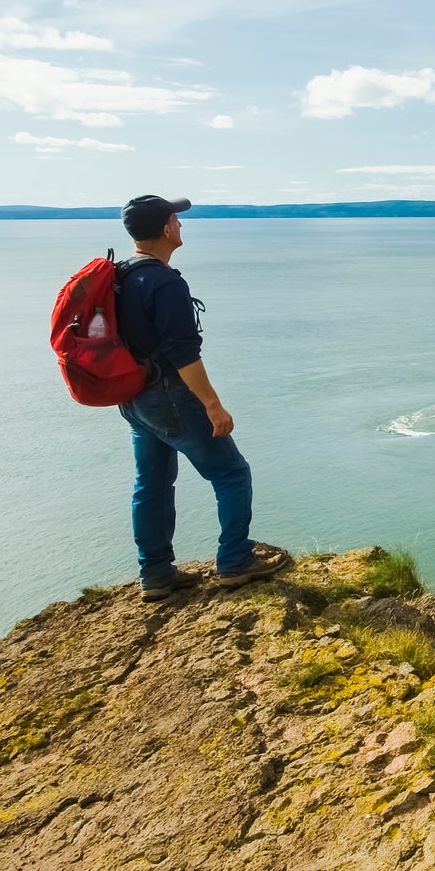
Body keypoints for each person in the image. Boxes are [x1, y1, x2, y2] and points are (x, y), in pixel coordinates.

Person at [115, 194, 285, 600]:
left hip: (134, 399)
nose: (181, 224)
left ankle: (155, 574)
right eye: (176, 218)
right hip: (171, 396)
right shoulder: (164, 281)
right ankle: (235, 561)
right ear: (165, 229)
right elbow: (183, 352)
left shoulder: (121, 275)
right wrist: (212, 405)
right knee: (231, 473)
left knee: (152, 483)